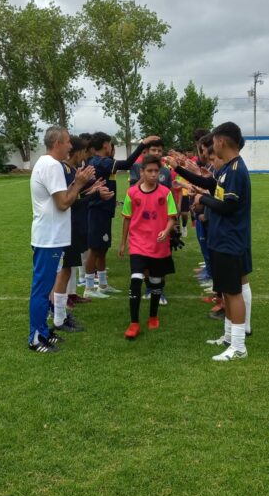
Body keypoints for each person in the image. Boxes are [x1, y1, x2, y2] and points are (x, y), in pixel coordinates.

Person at [169, 121, 253, 361]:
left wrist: (201, 200)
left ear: (222, 142)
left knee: (232, 291)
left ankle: (238, 347)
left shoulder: (236, 170)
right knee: (226, 290)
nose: (211, 144)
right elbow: (210, 184)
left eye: (214, 140)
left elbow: (228, 206)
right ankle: (229, 337)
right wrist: (181, 170)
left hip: (230, 239)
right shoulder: (227, 168)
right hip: (222, 238)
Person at [28, 126, 96, 353]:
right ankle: (36, 337)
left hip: (51, 237)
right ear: (57, 143)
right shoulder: (51, 165)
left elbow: (60, 196)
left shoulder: (49, 165)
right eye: (67, 142)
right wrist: (79, 183)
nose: (70, 146)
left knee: (45, 286)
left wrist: (77, 183)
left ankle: (45, 331)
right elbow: (63, 202)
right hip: (48, 238)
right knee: (41, 288)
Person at [82, 131, 160, 298]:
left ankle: (102, 284)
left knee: (102, 249)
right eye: (110, 144)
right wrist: (143, 144)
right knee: (95, 250)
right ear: (105, 145)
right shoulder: (100, 161)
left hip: (104, 211)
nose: (111, 147)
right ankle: (89, 288)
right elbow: (127, 163)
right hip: (97, 211)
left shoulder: (102, 161)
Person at [49, 135, 112, 335]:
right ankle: (57, 315)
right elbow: (68, 201)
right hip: (65, 227)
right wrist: (89, 190)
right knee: (62, 271)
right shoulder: (63, 170)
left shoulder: (70, 170)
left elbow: (75, 198)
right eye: (85, 151)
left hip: (73, 227)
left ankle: (60, 314)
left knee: (66, 270)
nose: (88, 155)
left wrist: (92, 191)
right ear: (78, 152)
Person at [119, 154, 178, 339]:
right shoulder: (131, 193)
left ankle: (153, 316)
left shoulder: (165, 193)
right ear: (142, 172)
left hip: (158, 244)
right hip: (137, 243)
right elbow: (127, 219)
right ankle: (134, 323)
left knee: (155, 282)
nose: (153, 174)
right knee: (136, 279)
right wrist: (123, 242)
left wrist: (166, 231)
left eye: (156, 171)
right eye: (149, 171)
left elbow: (172, 217)